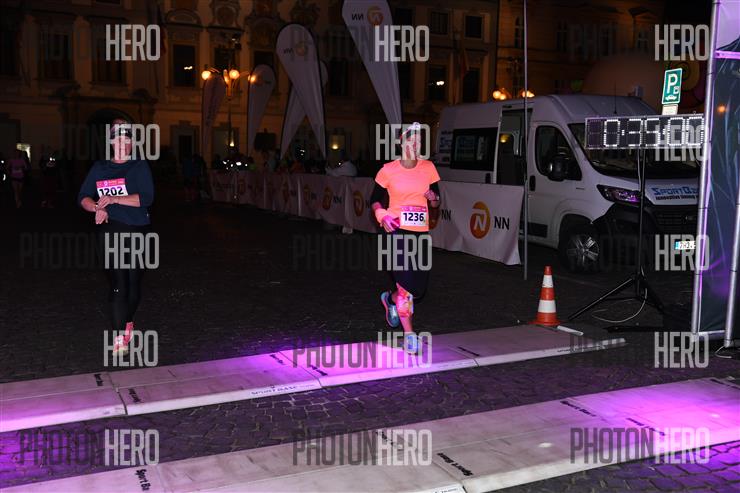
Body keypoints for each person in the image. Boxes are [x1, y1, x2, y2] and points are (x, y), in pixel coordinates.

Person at [78, 119, 155, 355]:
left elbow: (146, 198)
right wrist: (96, 207)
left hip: (137, 231)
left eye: (127, 139)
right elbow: (83, 196)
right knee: (118, 283)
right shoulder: (100, 167)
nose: (123, 143)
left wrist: (113, 199)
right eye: (119, 138)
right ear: (111, 142)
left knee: (133, 283)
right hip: (110, 231)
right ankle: (120, 336)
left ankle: (128, 321)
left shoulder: (138, 166)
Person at [370, 123, 441, 353]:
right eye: (411, 140)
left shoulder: (428, 168)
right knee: (405, 288)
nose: (415, 144)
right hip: (395, 232)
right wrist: (382, 216)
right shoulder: (388, 170)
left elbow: (436, 201)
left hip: (419, 234)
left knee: (418, 289)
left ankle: (389, 300)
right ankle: (409, 334)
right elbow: (374, 200)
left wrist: (432, 198)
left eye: (419, 141)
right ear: (401, 143)